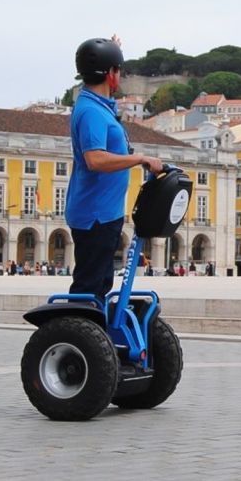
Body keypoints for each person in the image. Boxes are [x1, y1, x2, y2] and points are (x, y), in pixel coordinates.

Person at [66, 36, 165, 300]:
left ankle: (93, 336)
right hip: (94, 215)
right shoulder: (91, 112)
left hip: (104, 213)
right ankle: (77, 337)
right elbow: (95, 159)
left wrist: (112, 52)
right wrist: (140, 159)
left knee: (100, 286)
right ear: (110, 74)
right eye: (118, 69)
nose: (119, 75)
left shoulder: (99, 107)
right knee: (89, 287)